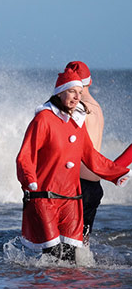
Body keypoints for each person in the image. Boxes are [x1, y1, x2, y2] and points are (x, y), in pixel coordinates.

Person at [16, 68, 130, 262]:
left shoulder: (78, 121)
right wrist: (29, 180)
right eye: (71, 92)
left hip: (72, 199)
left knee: (70, 258)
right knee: (51, 256)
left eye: (79, 92)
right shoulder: (43, 119)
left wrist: (116, 173)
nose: (77, 97)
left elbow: (91, 155)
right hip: (46, 197)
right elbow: (25, 155)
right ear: (60, 92)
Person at [64, 61, 104, 244]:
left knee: (66, 244)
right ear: (91, 81)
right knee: (83, 242)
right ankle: (85, 273)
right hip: (94, 184)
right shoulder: (96, 107)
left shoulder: (79, 108)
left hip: (78, 185)